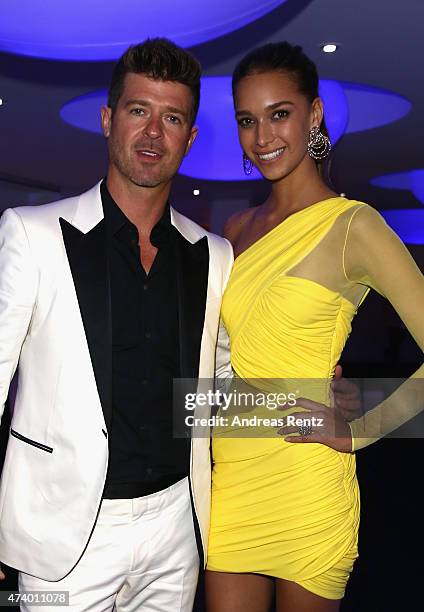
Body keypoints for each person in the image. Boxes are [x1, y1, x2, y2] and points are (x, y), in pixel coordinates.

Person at [0, 38, 234, 611]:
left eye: (172, 117)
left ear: (191, 138)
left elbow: (219, 388)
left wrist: (305, 395)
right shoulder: (31, 233)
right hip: (64, 535)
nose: (153, 133)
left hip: (178, 523)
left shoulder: (216, 255)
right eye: (138, 111)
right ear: (108, 120)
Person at [205, 42, 424, 611]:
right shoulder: (235, 227)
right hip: (231, 479)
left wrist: (362, 427)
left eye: (280, 114)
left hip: (306, 477)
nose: (263, 136)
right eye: (248, 121)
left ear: (315, 114)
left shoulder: (354, 225)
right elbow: (223, 357)